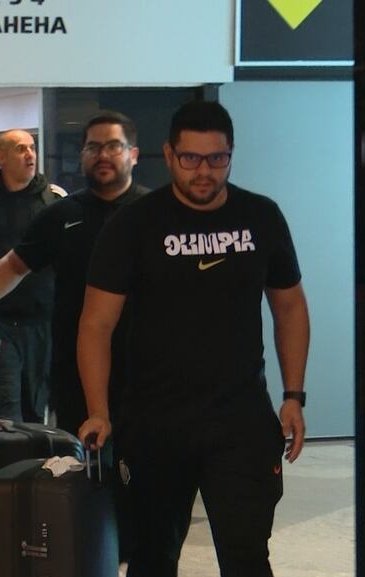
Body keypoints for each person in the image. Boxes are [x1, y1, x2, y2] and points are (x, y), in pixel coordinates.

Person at [78, 101, 309, 577]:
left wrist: (293, 395)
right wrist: (98, 410)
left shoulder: (261, 216)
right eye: (191, 159)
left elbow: (289, 306)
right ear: (169, 155)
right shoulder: (134, 225)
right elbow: (95, 325)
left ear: (231, 154)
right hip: (154, 423)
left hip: (240, 420)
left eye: (217, 158)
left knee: (247, 557)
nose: (204, 171)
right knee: (152, 558)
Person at [0, 112, 147, 435]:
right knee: (79, 463)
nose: (102, 155)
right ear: (82, 156)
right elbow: (14, 266)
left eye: (113, 146)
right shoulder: (61, 215)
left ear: (133, 154)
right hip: (75, 373)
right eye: (93, 148)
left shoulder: (155, 213)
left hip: (145, 371)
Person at [0, 129, 66, 422]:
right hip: (0, 320)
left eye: (32, 148)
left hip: (43, 322)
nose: (29, 155)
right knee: (6, 410)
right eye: (20, 149)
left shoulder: (54, 199)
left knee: (37, 412)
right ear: (1, 156)